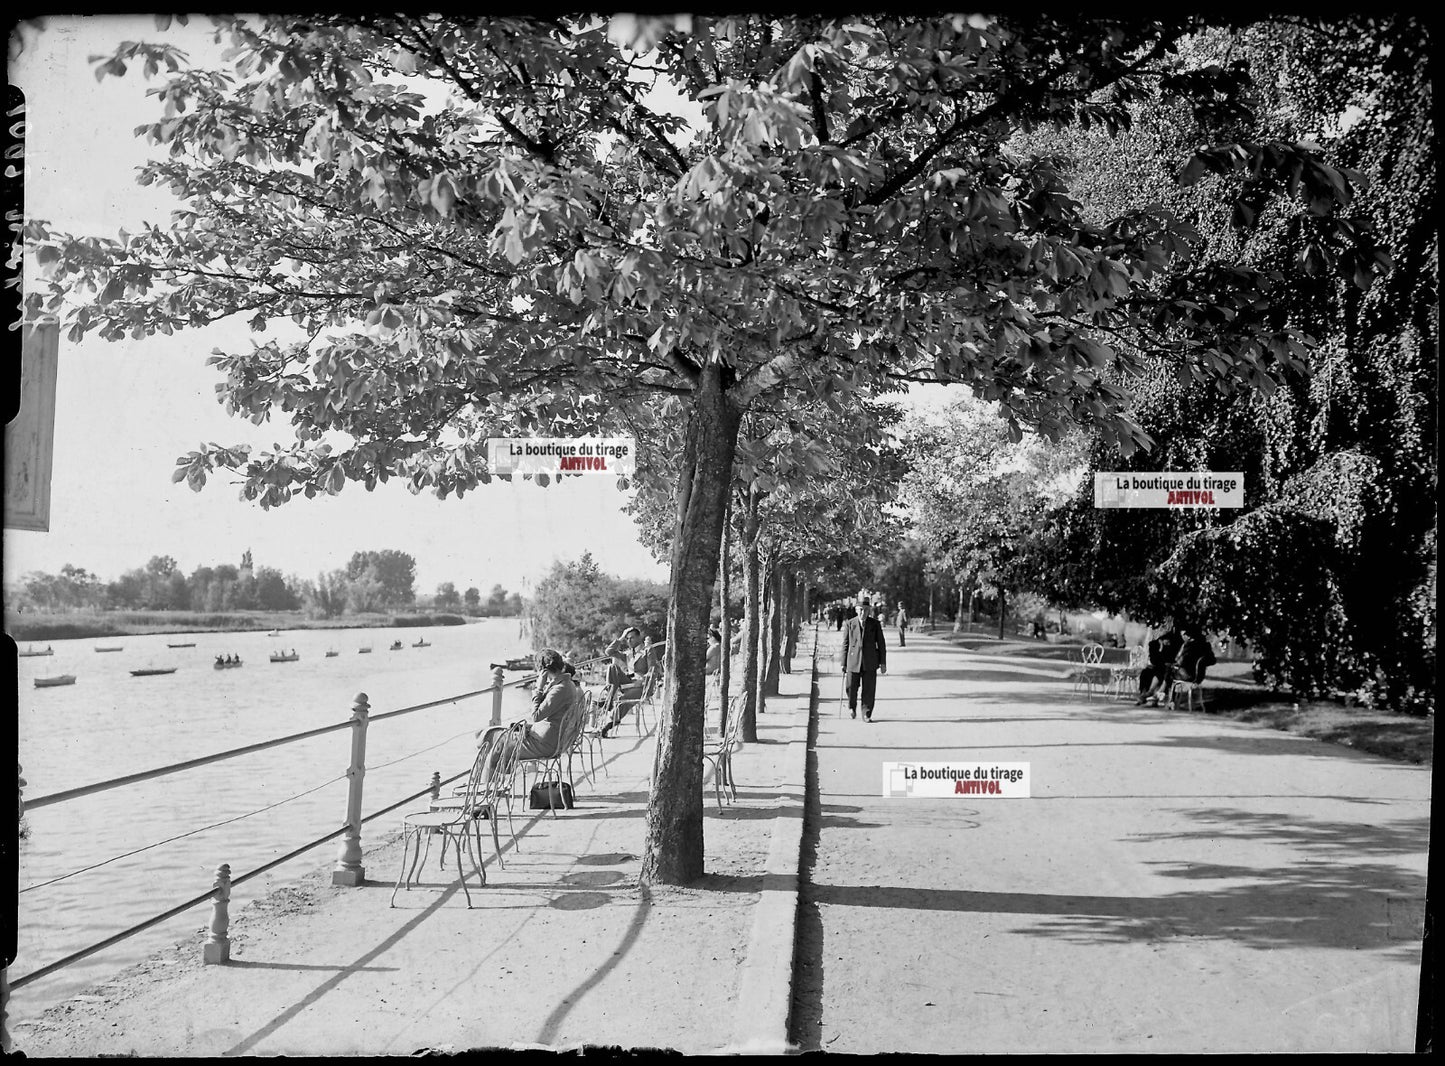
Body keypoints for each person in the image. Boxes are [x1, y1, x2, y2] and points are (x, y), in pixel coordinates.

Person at [479, 648, 579, 764]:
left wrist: (539, 688)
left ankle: (486, 781)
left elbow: (536, 716)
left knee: (494, 746)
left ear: (543, 670)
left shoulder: (559, 689)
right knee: (487, 736)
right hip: (555, 739)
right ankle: (495, 776)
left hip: (546, 744)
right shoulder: (567, 684)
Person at [841, 594, 888, 722]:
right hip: (853, 661)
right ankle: (852, 707)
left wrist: (883, 663)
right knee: (850, 687)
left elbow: (881, 644)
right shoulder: (850, 624)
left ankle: (866, 713)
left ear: (869, 611)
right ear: (856, 610)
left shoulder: (875, 624)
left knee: (869, 689)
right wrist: (843, 663)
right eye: (860, 609)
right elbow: (845, 644)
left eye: (866, 610)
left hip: (870, 662)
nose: (863, 612)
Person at [1137, 622, 1183, 705]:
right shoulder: (1153, 645)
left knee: (1160, 671)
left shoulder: (1171, 646)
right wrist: (1161, 649)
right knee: (1145, 672)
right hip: (1157, 666)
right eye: (1166, 641)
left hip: (1165, 668)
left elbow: (1170, 659)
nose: (1167, 643)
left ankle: (1150, 693)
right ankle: (1143, 694)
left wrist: (1165, 650)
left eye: (1168, 641)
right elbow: (1154, 660)